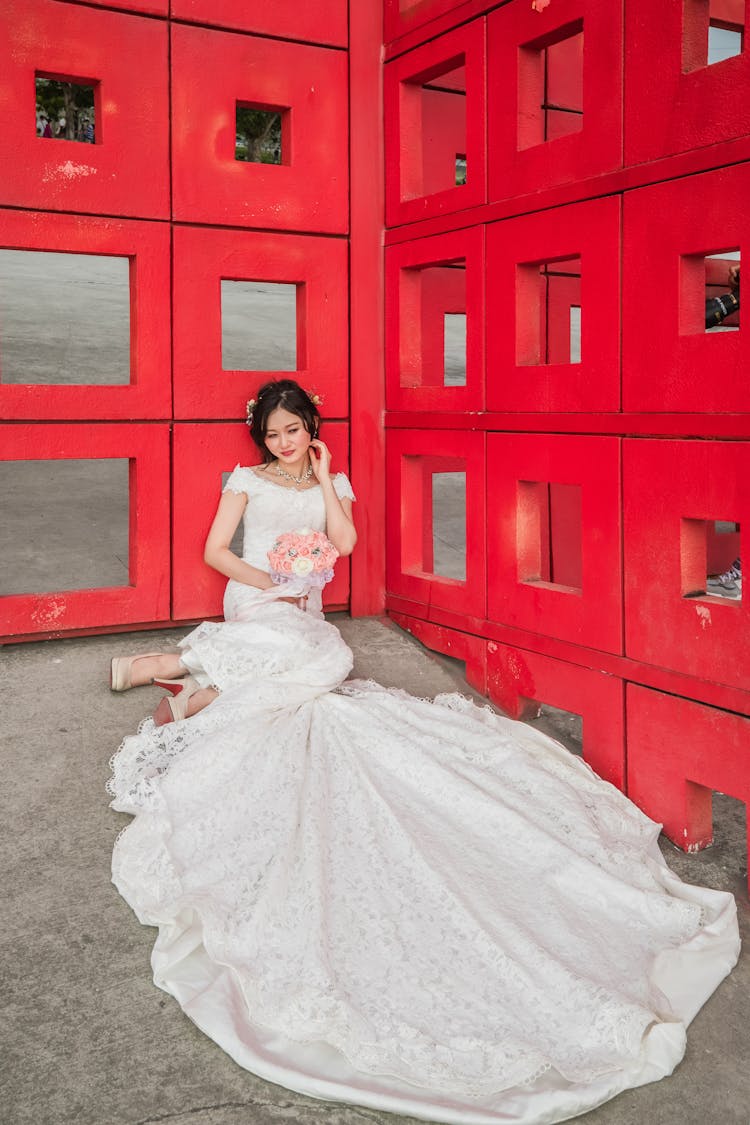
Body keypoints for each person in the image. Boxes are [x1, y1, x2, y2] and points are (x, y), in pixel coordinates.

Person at [108, 379, 739, 1125]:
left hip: (304, 614)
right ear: (259, 438)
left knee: (320, 664)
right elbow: (218, 551)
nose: (284, 442)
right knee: (297, 662)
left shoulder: (323, 473)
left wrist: (322, 478)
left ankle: (187, 679)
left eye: (295, 429)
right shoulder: (243, 482)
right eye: (275, 433)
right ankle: (187, 675)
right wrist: (272, 580)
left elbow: (343, 544)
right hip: (256, 600)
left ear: (310, 427)